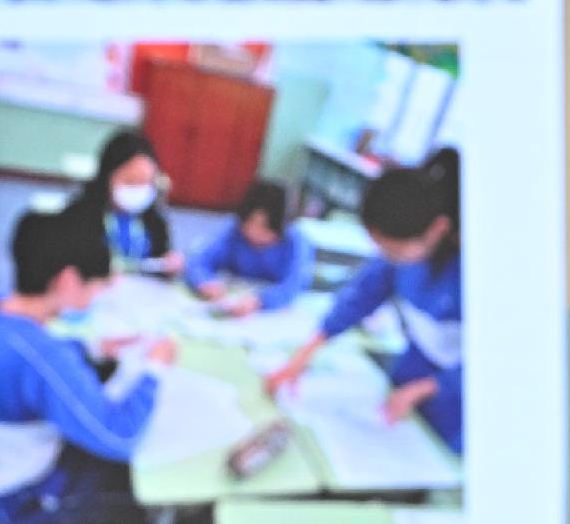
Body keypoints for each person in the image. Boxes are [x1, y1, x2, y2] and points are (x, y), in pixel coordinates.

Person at [263, 144, 461, 451]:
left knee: (432, 454)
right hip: (414, 363)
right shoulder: (398, 257)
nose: (387, 258)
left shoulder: (472, 276)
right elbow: (361, 295)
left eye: (394, 250)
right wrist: (304, 355)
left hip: (458, 393)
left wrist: (428, 388)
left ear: (437, 230)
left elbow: (499, 359)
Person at [0, 207, 171, 524]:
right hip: (16, 488)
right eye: (98, 286)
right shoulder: (45, 358)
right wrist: (155, 370)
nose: (99, 295)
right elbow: (120, 436)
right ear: (68, 280)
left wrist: (93, 348)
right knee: (144, 475)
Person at [188, 175, 308, 310]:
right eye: (250, 223)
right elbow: (198, 260)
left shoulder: (296, 242)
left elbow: (294, 284)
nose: (255, 232)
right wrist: (205, 282)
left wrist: (260, 301)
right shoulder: (232, 229)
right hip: (229, 301)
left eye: (265, 228)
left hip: (272, 312)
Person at [76, 127, 181, 278]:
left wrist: (170, 266)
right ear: (107, 176)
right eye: (130, 181)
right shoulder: (82, 214)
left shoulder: (155, 221)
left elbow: (162, 262)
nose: (138, 190)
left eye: (146, 182)